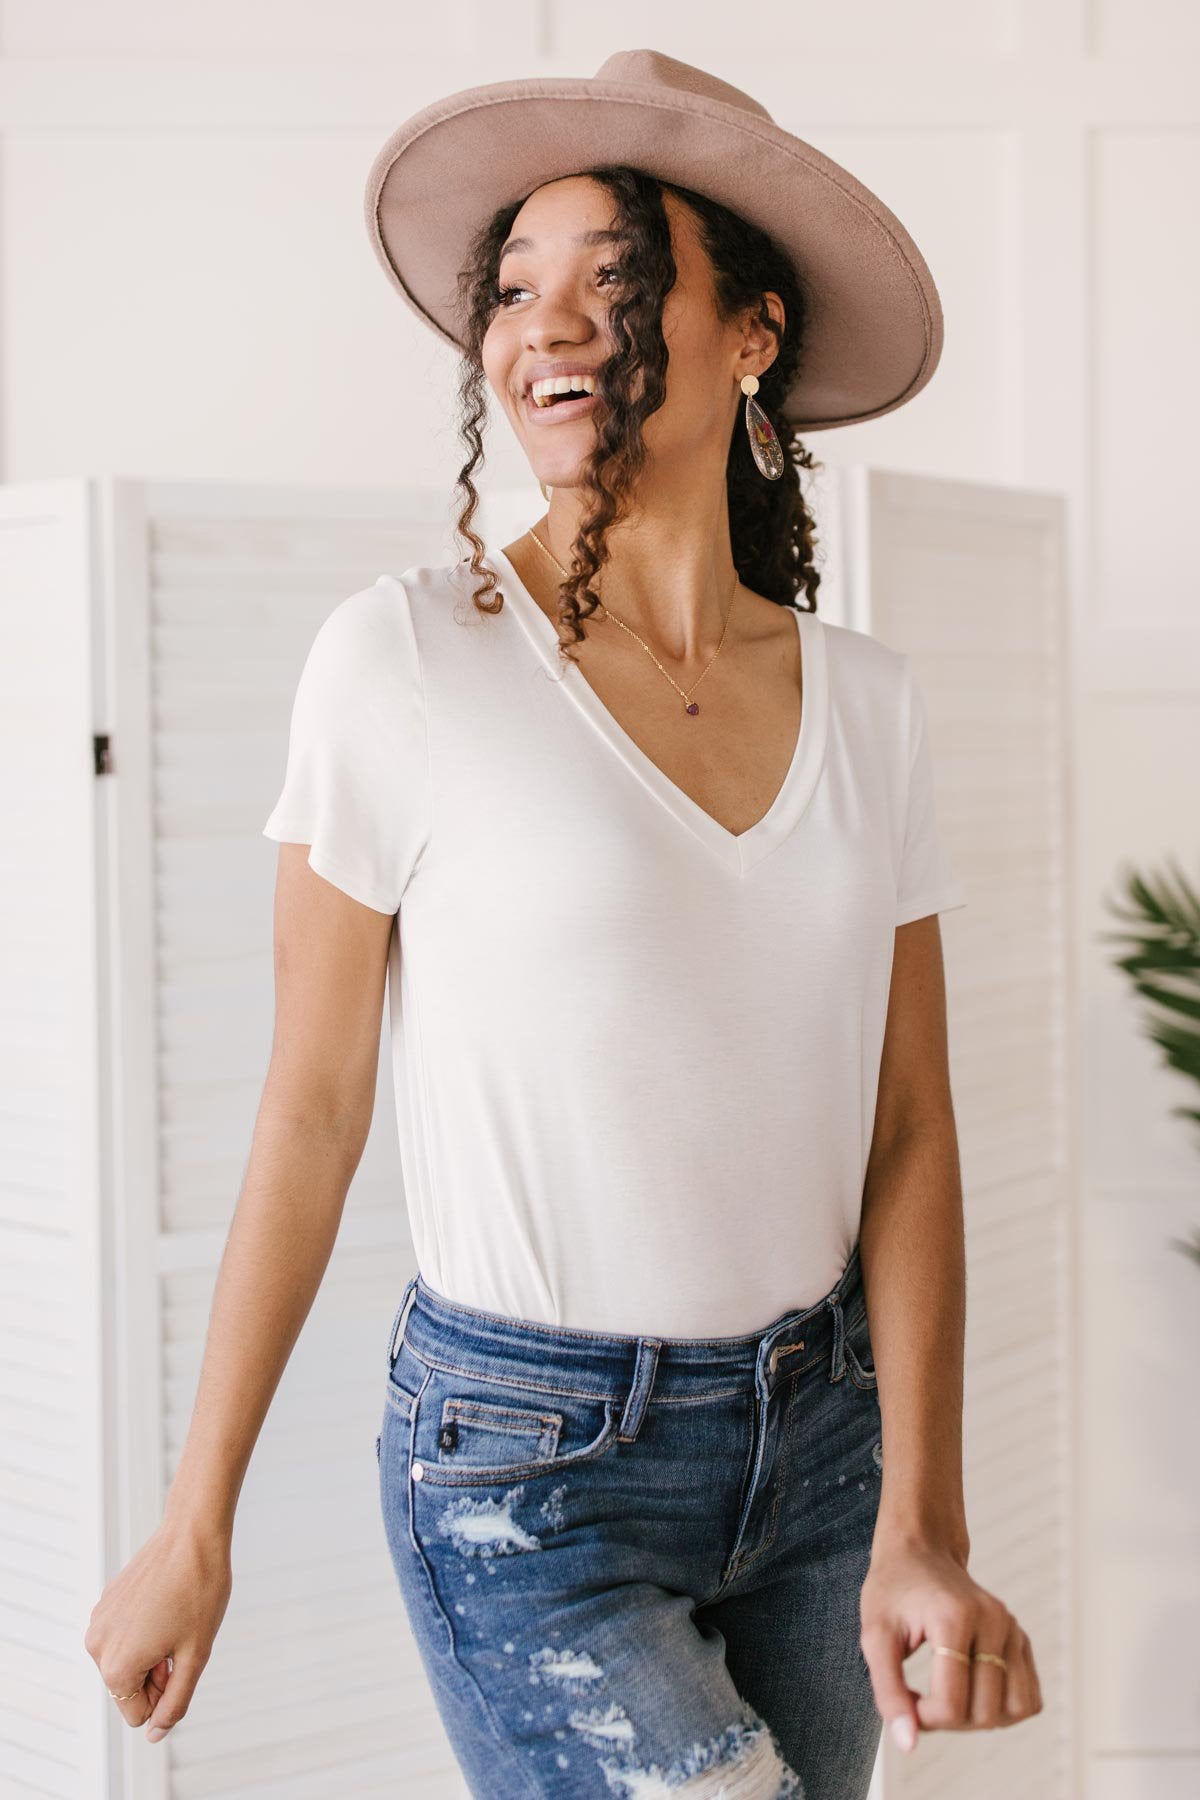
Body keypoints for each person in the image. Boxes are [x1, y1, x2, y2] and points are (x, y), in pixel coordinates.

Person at [84, 48, 1043, 1799]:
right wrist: (194, 1521)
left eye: (617, 279)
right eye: (513, 289)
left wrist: (926, 1518)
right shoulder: (403, 660)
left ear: (750, 332)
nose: (550, 327)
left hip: (824, 1455)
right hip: (527, 1469)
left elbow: (909, 1135)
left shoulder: (871, 705)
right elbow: (310, 1108)